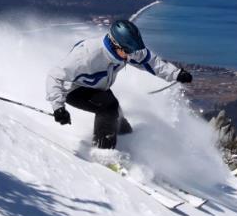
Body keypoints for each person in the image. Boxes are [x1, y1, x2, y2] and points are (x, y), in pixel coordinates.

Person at [46, 19, 192, 149]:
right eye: (129, 51)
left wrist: (176, 74)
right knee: (108, 107)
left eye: (134, 50)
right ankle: (103, 152)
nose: (132, 55)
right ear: (115, 44)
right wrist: (59, 108)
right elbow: (55, 76)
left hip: (97, 88)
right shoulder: (86, 55)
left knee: (118, 118)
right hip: (73, 89)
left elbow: (150, 61)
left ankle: (125, 139)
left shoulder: (127, 50)